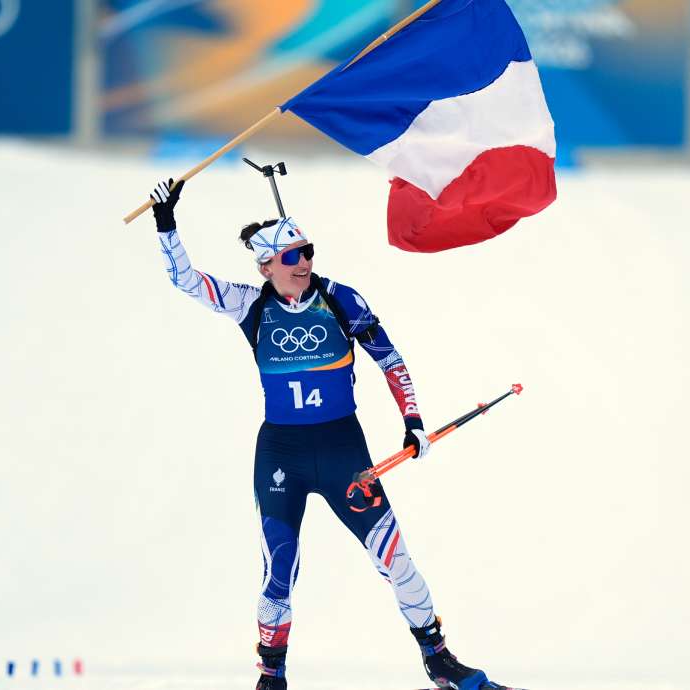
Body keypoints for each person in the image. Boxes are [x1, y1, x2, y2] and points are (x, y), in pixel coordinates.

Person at [147, 179, 500, 690]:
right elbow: (186, 281)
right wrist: (166, 224)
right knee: (279, 571)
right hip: (282, 456)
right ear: (266, 266)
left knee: (396, 560)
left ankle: (439, 659)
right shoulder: (250, 304)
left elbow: (390, 359)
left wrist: (414, 421)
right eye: (292, 254)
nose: (304, 262)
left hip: (343, 455)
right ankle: (272, 675)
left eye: (308, 251)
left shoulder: (339, 300)